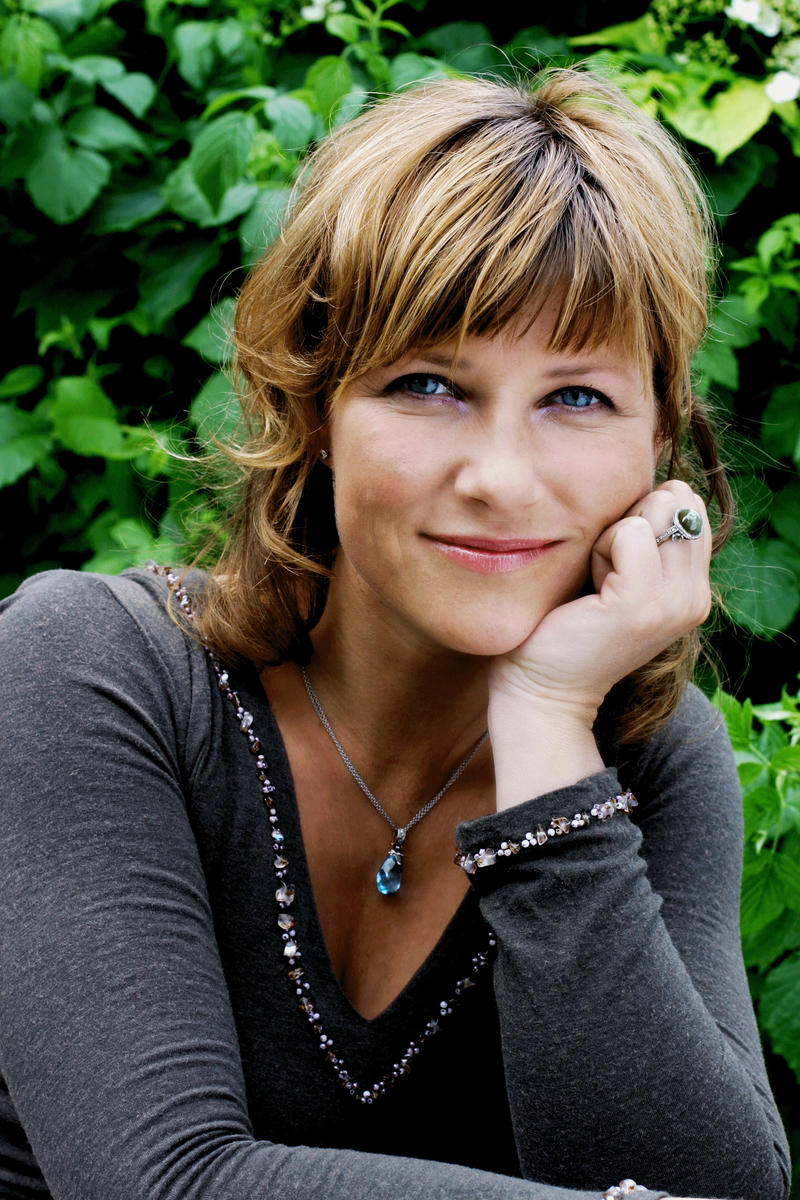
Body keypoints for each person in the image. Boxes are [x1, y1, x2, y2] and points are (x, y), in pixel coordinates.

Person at [0, 68, 790, 1200]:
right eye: (428, 385)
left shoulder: (649, 757)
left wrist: (546, 733)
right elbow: (162, 1180)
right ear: (315, 406)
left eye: (576, 398)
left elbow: (711, 1182)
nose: (501, 479)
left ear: (656, 439)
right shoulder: (90, 670)